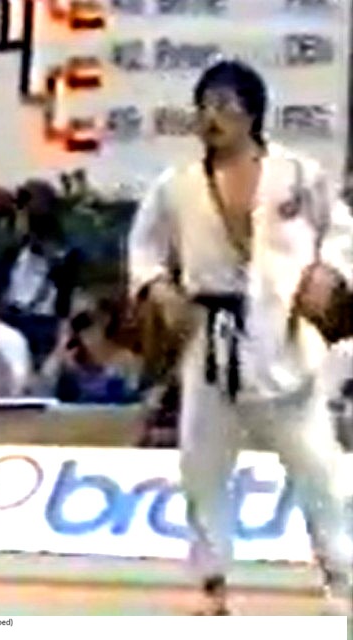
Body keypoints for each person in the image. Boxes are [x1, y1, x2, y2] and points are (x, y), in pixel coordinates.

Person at [128, 60, 353, 615]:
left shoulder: (297, 173)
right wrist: (158, 287)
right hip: (210, 343)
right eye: (205, 106)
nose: (213, 117)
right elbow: (144, 247)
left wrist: (328, 271)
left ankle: (343, 579)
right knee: (202, 469)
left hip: (284, 338)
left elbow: (341, 228)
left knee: (318, 468)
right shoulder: (177, 185)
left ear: (252, 114)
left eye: (226, 106)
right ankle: (211, 586)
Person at [39, 300, 142, 404]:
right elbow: (41, 392)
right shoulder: (67, 358)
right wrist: (60, 352)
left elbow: (133, 399)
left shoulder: (126, 360)